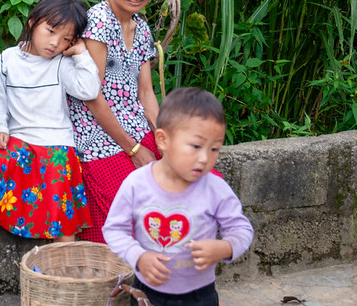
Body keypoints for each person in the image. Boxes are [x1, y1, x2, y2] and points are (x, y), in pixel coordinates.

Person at [0, 0, 100, 269]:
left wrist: (80, 54)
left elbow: (89, 89)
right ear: (32, 22)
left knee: (61, 198)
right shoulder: (9, 59)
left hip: (56, 145)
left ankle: (66, 263)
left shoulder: (62, 64)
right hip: (19, 141)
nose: (55, 43)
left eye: (66, 39)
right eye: (51, 31)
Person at [102, 87, 254, 305]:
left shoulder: (215, 188)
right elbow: (114, 229)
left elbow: (241, 229)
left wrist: (225, 247)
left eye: (214, 149)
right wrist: (139, 256)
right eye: (195, 146)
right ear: (163, 140)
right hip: (147, 292)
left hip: (200, 294)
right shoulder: (137, 184)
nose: (204, 158)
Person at [67, 0, 165, 244]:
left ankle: (178, 281)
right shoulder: (98, 22)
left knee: (191, 183)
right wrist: (134, 150)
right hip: (98, 137)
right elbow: (92, 96)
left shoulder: (142, 27)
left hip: (134, 128)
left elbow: (147, 95)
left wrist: (165, 140)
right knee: (128, 210)